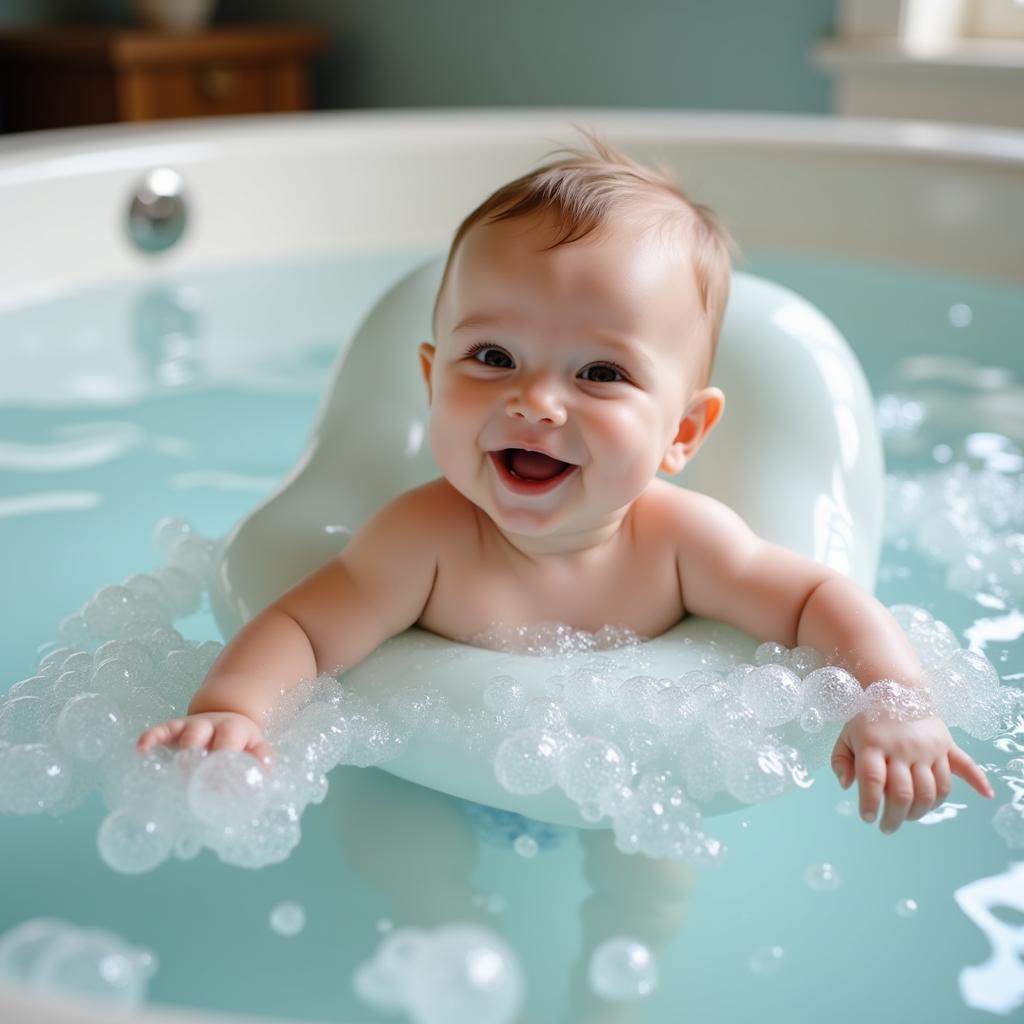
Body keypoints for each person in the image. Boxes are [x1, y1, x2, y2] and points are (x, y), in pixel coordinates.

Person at [137, 128, 994, 835]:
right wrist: (234, 710)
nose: (535, 401)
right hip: (435, 770)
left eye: (600, 374)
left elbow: (816, 599)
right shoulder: (423, 539)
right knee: (393, 842)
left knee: (654, 861)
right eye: (493, 357)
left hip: (630, 784)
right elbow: (305, 629)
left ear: (684, 432)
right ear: (433, 379)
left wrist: (895, 701)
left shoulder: (679, 541)